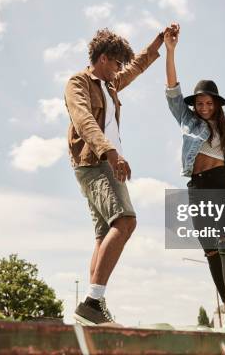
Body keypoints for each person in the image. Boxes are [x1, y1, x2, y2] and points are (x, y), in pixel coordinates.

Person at [65, 27, 169, 325]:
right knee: (125, 220)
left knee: (104, 234)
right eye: (116, 65)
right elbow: (83, 119)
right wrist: (110, 152)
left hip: (108, 164)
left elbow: (137, 65)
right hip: (95, 161)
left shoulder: (111, 85)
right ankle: (92, 302)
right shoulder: (79, 82)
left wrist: (159, 41)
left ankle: (93, 306)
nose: (119, 71)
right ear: (104, 58)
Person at [163, 24, 225, 329]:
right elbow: (173, 91)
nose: (203, 107)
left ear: (216, 104)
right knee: (210, 249)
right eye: (199, 103)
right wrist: (170, 50)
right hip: (196, 187)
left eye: (208, 103)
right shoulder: (187, 121)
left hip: (222, 184)